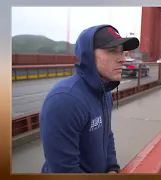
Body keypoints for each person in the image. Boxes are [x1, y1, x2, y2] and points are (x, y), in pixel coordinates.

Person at [39, 24, 140, 173]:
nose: (123, 59)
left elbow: (107, 135)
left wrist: (112, 167)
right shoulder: (65, 101)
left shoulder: (104, 92)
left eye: (122, 52)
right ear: (88, 56)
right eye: (112, 51)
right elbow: (64, 170)